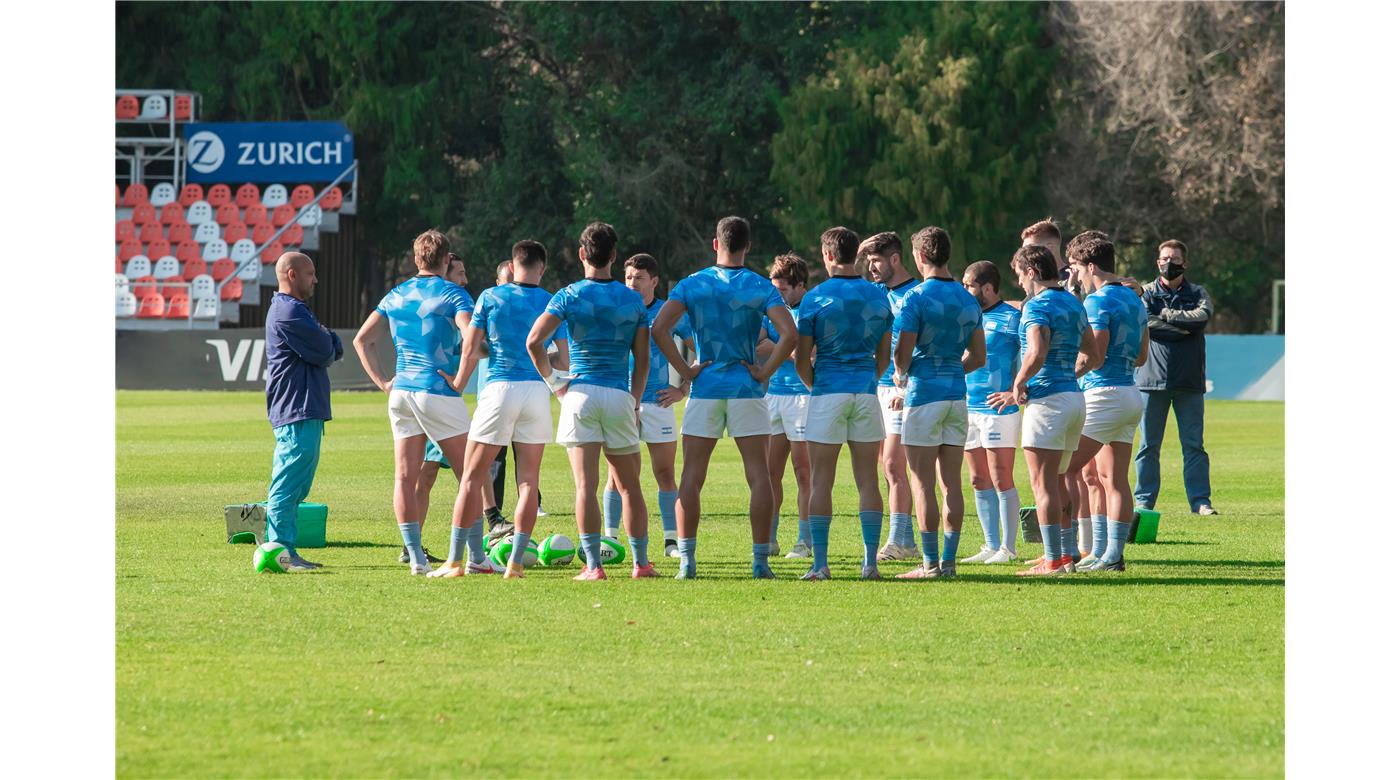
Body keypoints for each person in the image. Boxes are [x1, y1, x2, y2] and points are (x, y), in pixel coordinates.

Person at [651, 216, 797, 579]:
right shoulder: (761, 286)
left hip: (706, 390)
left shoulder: (693, 283)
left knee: (692, 475)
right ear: (748, 246)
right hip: (747, 390)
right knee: (759, 475)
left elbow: (659, 329)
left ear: (715, 244)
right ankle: (760, 562)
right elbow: (789, 334)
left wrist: (686, 373)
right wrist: (765, 372)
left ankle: (687, 561)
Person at [430, 240, 569, 579]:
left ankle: (454, 562)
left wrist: (460, 382)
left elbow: (469, 347)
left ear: (512, 263)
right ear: (543, 267)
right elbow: (563, 358)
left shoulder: (490, 297)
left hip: (499, 389)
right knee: (528, 482)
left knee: (471, 478)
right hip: (536, 392)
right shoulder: (552, 301)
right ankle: (517, 563)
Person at [527, 222, 654, 580]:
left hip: (579, 393)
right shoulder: (633, 299)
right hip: (618, 393)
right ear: (614, 256)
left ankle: (594, 567)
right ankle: (640, 564)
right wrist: (635, 398)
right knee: (630, 486)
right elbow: (642, 359)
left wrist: (555, 385)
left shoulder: (568, 295)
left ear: (582, 254)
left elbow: (534, 342)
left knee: (586, 485)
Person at [352, 230, 474, 576]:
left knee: (404, 477)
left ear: (416, 258)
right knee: (470, 474)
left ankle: (416, 558)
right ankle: (475, 556)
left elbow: (362, 340)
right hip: (437, 390)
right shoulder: (454, 293)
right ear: (446, 259)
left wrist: (383, 383)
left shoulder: (396, 294)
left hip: (402, 391)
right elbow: (470, 338)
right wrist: (462, 379)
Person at [988, 245, 1098, 576]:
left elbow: (1036, 351)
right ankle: (1064, 555)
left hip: (1048, 404)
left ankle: (1053, 560)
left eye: (1020, 276)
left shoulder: (1036, 307)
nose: (1020, 283)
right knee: (1063, 478)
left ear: (1032, 272)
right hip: (1073, 399)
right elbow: (1092, 354)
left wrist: (1018, 384)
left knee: (1043, 483)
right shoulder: (1073, 302)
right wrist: (1065, 378)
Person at [793, 227, 892, 581]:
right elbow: (884, 356)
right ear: (856, 255)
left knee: (821, 481)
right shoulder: (879, 297)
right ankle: (870, 564)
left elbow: (801, 359)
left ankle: (820, 564)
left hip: (827, 393)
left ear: (828, 256)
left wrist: (816, 385)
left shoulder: (815, 298)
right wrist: (866, 379)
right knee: (868, 480)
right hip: (865, 392)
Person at [889, 227, 984, 579]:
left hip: (924, 395)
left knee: (922, 484)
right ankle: (949, 563)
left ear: (920, 256)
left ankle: (929, 563)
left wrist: (905, 372)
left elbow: (901, 353)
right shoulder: (968, 298)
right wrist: (949, 367)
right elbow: (977, 357)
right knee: (952, 484)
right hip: (957, 396)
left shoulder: (915, 298)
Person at [1060, 236, 1148, 572]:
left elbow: (1093, 356)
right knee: (1113, 478)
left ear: (1091, 266)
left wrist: (1067, 375)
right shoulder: (1134, 300)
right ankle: (1109, 554)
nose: (1077, 277)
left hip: (1103, 393)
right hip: (1128, 391)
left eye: (1078, 269)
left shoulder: (1098, 302)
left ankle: (1069, 552)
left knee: (1064, 469)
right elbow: (1141, 356)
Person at [600, 253, 694, 558]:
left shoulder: (669, 313)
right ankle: (609, 539)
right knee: (616, 475)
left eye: (638, 278)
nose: (632, 283)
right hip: (621, 401)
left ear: (653, 281)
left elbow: (701, 349)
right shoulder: (617, 309)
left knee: (665, 473)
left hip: (657, 403)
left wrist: (682, 389)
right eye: (627, 277)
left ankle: (671, 542)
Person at [263, 252, 343, 571]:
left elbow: (328, 345)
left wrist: (327, 340)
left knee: (297, 483)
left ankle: (285, 549)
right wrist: (328, 339)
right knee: (288, 480)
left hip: (302, 406)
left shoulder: (294, 310)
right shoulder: (289, 311)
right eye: (311, 274)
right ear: (292, 274)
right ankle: (280, 549)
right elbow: (327, 349)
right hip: (297, 405)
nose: (316, 280)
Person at [1134, 239, 1217, 515]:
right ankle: (1144, 501)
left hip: (1190, 382)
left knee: (1194, 446)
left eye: (1175, 258)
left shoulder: (1198, 292)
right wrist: (1183, 328)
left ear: (1185, 263)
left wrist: (1167, 315)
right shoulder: (1145, 293)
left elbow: (1202, 318)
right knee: (1148, 446)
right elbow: (1147, 323)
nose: (1169, 263)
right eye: (1165, 258)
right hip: (1150, 381)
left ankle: (1201, 502)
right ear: (1157, 262)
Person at [405, 253, 472, 565]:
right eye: (459, 272)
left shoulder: (443, 306)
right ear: (445, 270)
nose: (464, 279)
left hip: (421, 395)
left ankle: (414, 549)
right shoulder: (448, 301)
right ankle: (478, 547)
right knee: (462, 473)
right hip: (438, 397)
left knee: (424, 475)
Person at [959, 259, 1024, 565]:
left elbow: (1032, 355)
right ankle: (990, 544)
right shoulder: (965, 317)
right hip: (967, 405)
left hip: (999, 408)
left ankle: (1008, 549)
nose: (964, 289)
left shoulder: (1013, 318)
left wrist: (1016, 392)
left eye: (968, 284)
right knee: (977, 479)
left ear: (986, 287)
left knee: (1001, 477)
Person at [862, 232, 921, 562]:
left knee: (894, 465)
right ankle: (906, 539)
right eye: (868, 261)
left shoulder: (917, 294)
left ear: (895, 259)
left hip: (904, 389)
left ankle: (899, 541)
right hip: (878, 388)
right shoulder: (875, 293)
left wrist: (906, 387)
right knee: (887, 469)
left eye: (876, 261)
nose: (871, 267)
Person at [758, 253, 813, 559]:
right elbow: (759, 344)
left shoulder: (810, 308)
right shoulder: (771, 311)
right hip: (774, 395)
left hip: (803, 396)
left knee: (803, 472)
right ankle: (769, 538)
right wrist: (790, 350)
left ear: (799, 285)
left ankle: (804, 541)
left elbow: (812, 352)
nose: (775, 295)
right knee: (769, 472)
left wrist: (782, 349)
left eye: (781, 290)